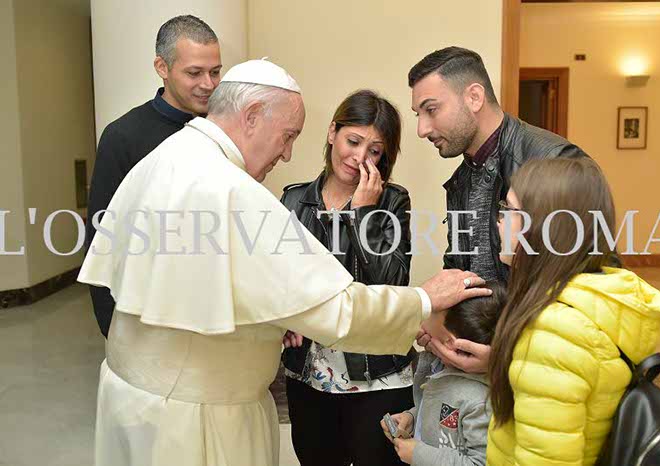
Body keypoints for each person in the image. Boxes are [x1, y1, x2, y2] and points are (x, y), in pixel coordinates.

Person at [78, 58, 492, 466]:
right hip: (192, 414)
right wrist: (423, 300)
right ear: (252, 116)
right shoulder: (233, 191)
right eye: (287, 135)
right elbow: (335, 307)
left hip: (139, 399)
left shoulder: (168, 156)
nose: (289, 153)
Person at [408, 46, 588, 372]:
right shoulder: (462, 179)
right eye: (418, 115)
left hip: (542, 368)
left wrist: (509, 355)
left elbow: (582, 291)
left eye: (431, 110)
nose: (422, 129)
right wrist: (440, 320)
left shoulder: (554, 162)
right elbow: (462, 269)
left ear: (474, 97)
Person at [486, 157, 660, 465]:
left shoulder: (553, 332)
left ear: (547, 228)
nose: (499, 221)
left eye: (509, 209)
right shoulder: (601, 300)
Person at [280, 90, 414, 466]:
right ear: (332, 133)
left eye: (374, 150)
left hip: (378, 374)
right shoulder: (294, 201)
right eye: (353, 141)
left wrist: (364, 214)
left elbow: (394, 285)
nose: (359, 157)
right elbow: (278, 282)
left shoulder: (392, 202)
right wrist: (285, 318)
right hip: (309, 374)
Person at [86, 14, 222, 337]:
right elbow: (101, 238)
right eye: (194, 73)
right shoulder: (123, 136)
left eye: (215, 72)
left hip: (213, 310)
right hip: (147, 316)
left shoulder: (225, 129)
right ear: (162, 67)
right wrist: (113, 329)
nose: (208, 84)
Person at [382, 283, 505, 466]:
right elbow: (445, 416)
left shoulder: (480, 402)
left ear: (450, 342)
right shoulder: (440, 370)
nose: (421, 324)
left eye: (430, 314)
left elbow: (479, 462)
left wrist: (418, 455)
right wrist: (413, 418)